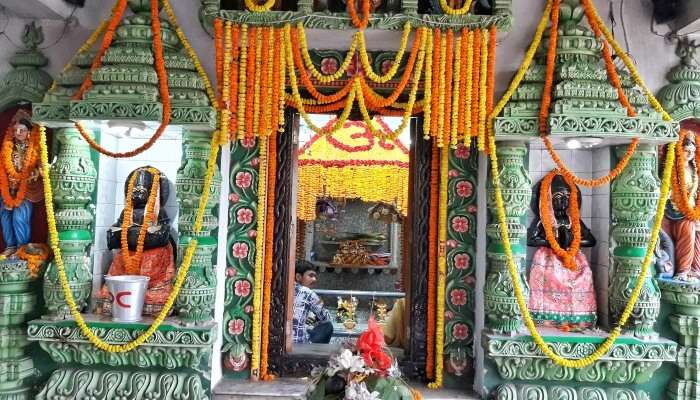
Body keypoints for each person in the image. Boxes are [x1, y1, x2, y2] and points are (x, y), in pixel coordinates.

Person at [0, 110, 42, 257]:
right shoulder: (8, 146)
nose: (18, 133)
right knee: (5, 217)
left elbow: (40, 167)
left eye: (22, 130)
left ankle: (21, 247)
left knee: (19, 218)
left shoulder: (35, 149)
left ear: (29, 132)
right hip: (7, 188)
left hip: (25, 189)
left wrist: (36, 172)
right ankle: (10, 246)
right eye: (16, 130)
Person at [293, 260, 333, 344]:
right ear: (298, 277)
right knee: (328, 326)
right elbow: (326, 318)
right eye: (310, 276)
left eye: (315, 276)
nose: (314, 279)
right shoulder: (308, 292)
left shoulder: (282, 288)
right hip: (298, 343)